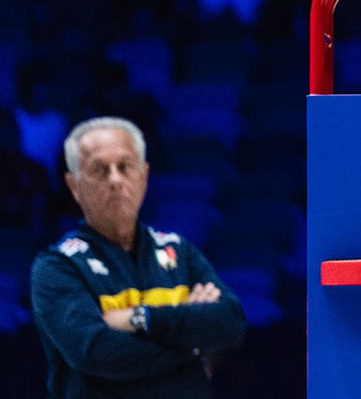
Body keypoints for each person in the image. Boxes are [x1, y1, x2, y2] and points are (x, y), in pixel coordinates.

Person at [30, 118, 245, 397]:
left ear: (143, 176)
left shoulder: (180, 252)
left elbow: (230, 323)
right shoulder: (58, 266)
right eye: (99, 170)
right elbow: (96, 353)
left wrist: (139, 319)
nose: (115, 180)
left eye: (125, 167)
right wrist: (192, 347)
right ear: (74, 186)